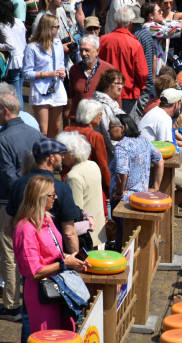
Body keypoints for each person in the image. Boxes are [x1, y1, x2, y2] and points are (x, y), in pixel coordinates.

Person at [13, 175, 89, 333]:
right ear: (40, 198)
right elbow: (34, 271)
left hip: (56, 287)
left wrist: (71, 259)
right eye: (51, 195)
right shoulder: (26, 229)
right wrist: (64, 264)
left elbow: (55, 253)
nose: (56, 197)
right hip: (41, 294)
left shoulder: (47, 220)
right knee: (47, 335)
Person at [0, 83, 44, 322]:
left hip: (9, 201)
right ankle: (28, 298)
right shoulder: (35, 133)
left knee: (9, 251)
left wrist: (20, 196)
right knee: (31, 249)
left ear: (5, 111)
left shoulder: (3, 138)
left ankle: (11, 304)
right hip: (35, 198)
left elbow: (7, 175)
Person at [7, 138, 81, 255]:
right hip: (54, 259)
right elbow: (69, 233)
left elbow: (10, 224)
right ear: (51, 158)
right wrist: (75, 259)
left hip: (28, 255)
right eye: (60, 154)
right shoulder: (62, 188)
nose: (62, 157)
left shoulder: (18, 184)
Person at [137, 88, 182, 211]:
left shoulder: (156, 112)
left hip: (151, 161)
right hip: (150, 167)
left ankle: (168, 209)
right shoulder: (164, 118)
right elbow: (166, 153)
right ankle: (165, 210)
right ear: (176, 104)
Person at [110, 114, 163, 241]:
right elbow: (159, 160)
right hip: (142, 195)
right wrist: (155, 187)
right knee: (135, 236)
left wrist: (119, 192)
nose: (108, 131)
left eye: (111, 128)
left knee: (123, 237)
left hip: (124, 200)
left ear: (121, 128)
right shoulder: (143, 140)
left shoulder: (121, 146)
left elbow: (122, 172)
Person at [56, 131, 106, 247]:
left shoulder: (73, 176)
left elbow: (74, 211)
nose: (61, 156)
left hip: (86, 236)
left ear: (73, 153)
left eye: (64, 152)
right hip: (99, 230)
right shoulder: (93, 165)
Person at [23, 14, 67, 138]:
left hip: (57, 88)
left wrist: (63, 71)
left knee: (56, 127)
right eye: (56, 27)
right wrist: (48, 74)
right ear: (48, 28)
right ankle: (42, 155)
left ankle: (52, 154)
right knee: (43, 130)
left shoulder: (58, 44)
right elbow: (26, 73)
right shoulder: (32, 47)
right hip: (40, 90)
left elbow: (61, 63)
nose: (58, 29)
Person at [99, 7, 149, 114]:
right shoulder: (135, 44)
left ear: (116, 21)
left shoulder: (103, 40)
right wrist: (140, 87)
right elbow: (143, 73)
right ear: (131, 22)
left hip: (106, 91)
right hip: (128, 93)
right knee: (126, 127)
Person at [63, 99, 111, 197]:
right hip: (88, 184)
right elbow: (103, 166)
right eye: (99, 113)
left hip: (67, 181)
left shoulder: (66, 130)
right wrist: (108, 188)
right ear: (91, 114)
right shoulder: (95, 136)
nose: (100, 116)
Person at [141, 2, 182, 74]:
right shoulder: (148, 27)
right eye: (159, 11)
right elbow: (173, 30)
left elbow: (179, 23)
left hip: (160, 70)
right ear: (151, 16)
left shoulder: (161, 23)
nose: (162, 12)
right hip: (152, 73)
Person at [67, 34, 114, 120]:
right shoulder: (74, 70)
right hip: (79, 121)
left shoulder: (108, 70)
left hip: (101, 121)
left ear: (97, 51)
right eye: (81, 50)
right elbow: (72, 97)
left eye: (87, 50)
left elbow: (115, 99)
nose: (83, 54)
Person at [0, 0, 27, 110]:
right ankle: (21, 114)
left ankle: (19, 115)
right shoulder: (19, 22)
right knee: (19, 90)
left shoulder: (2, 25)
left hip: (14, 61)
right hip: (23, 59)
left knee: (16, 94)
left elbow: (10, 45)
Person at [93, 69, 126, 140]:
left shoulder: (111, 103)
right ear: (106, 85)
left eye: (121, 83)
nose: (120, 87)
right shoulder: (103, 106)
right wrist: (119, 150)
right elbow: (108, 136)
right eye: (117, 83)